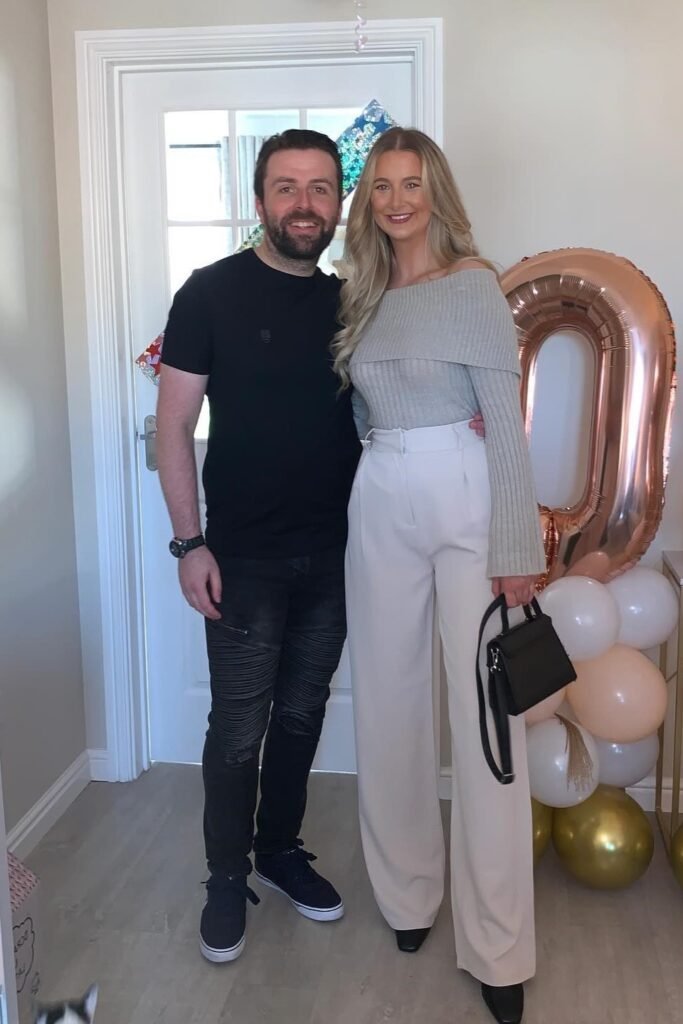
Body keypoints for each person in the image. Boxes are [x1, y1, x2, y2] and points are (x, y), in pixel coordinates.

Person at [334, 128, 546, 1024]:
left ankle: (498, 947)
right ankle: (407, 896)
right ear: (366, 201)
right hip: (379, 492)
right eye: (380, 186)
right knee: (386, 704)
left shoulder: (473, 287)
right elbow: (356, 416)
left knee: (487, 721)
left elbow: (504, 419)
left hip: (467, 501)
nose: (395, 200)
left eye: (410, 184)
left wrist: (516, 548)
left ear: (436, 192)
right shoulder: (362, 295)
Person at [156, 129, 360, 964]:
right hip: (239, 559)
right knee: (239, 726)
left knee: (302, 715)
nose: (304, 204)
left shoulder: (353, 302)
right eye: (287, 187)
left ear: (338, 203)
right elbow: (172, 428)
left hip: (338, 555)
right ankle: (224, 876)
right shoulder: (208, 295)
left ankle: (278, 851)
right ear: (259, 201)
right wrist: (187, 544)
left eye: (319, 188)